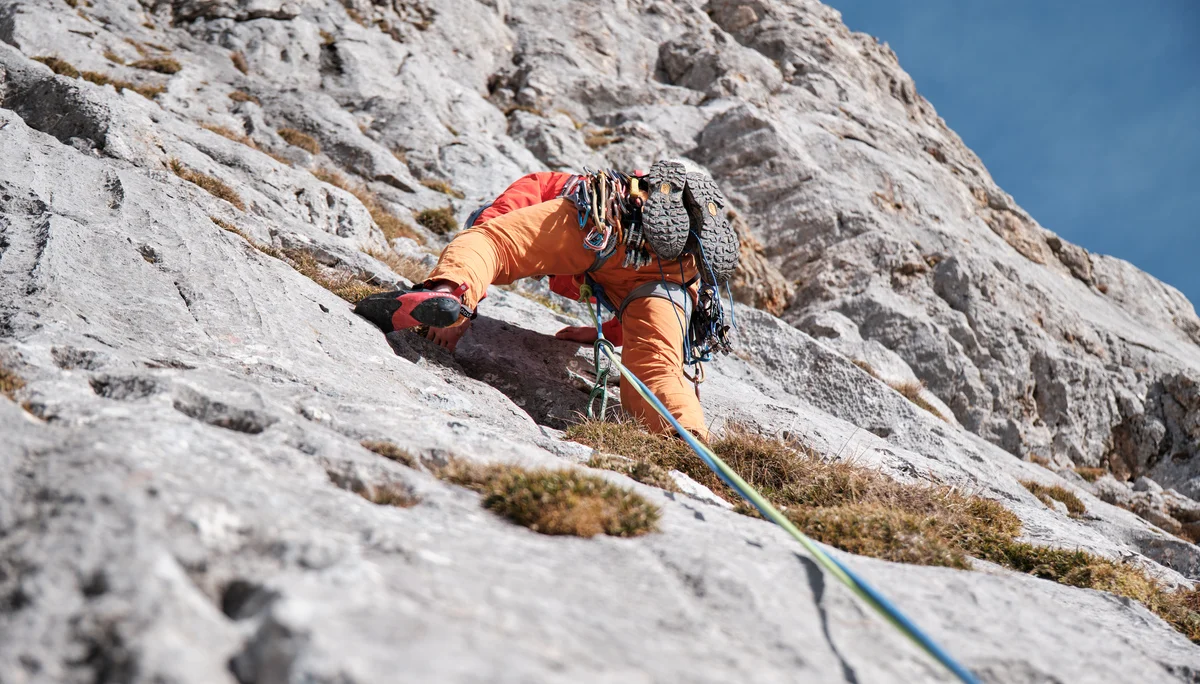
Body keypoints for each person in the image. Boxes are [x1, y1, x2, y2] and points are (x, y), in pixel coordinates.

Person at [354, 160, 738, 438]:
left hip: (605, 217)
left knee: (489, 242)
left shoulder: (544, 183)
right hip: (677, 269)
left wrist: (464, 304)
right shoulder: (668, 248)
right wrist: (602, 332)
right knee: (657, 367)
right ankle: (685, 434)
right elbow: (638, 322)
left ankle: (445, 295)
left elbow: (496, 232)